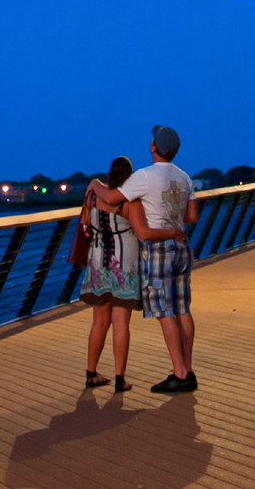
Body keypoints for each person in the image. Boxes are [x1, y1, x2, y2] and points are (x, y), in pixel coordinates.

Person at [94, 124, 198, 393]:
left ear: (154, 148)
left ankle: (179, 373)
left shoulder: (144, 176)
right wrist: (172, 220)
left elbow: (111, 196)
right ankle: (188, 369)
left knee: (164, 312)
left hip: (158, 250)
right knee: (183, 309)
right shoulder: (185, 178)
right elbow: (192, 217)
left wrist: (95, 184)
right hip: (181, 246)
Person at [78, 156, 142, 390]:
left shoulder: (94, 197)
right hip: (123, 264)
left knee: (99, 321)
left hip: (97, 262)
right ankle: (119, 379)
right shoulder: (130, 202)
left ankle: (91, 373)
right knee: (121, 322)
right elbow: (141, 231)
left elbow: (84, 223)